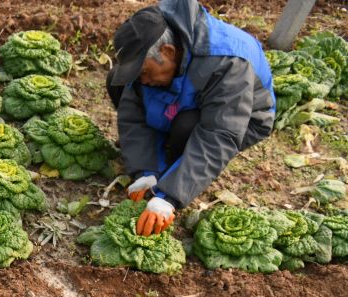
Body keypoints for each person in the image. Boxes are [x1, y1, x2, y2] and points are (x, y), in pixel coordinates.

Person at [108, 0, 275, 236]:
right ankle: (159, 163)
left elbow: (219, 134)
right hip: (183, 98)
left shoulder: (228, 61)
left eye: (144, 71)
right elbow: (132, 113)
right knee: (120, 82)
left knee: (187, 126)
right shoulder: (157, 46)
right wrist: (145, 170)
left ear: (167, 52)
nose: (142, 78)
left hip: (239, 120)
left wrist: (168, 196)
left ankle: (177, 170)